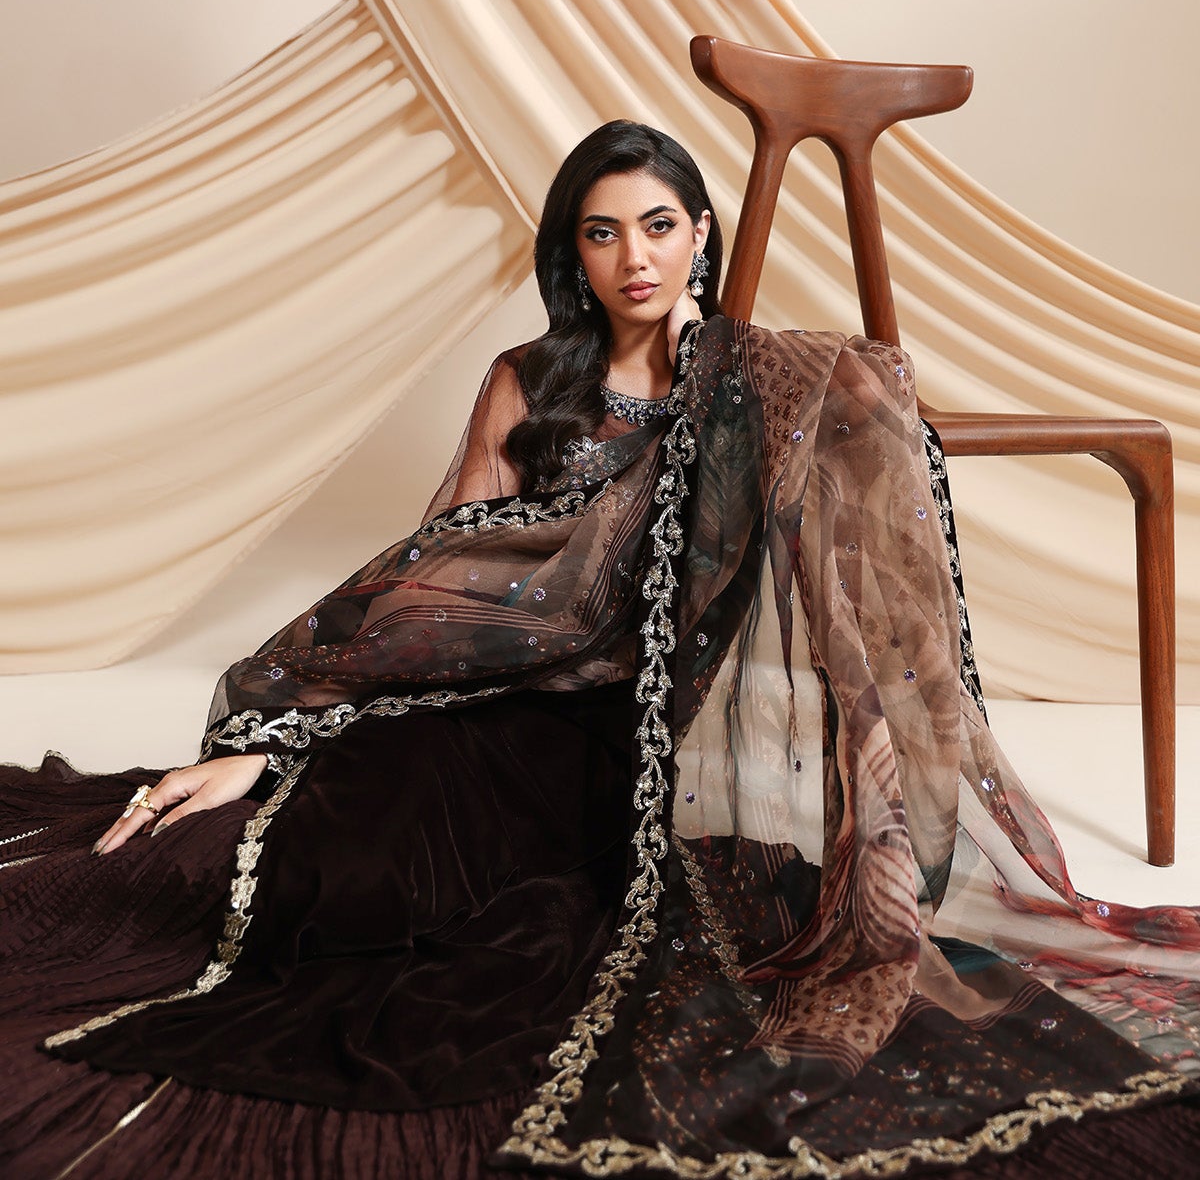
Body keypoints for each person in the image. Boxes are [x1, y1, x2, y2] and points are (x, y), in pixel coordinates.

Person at [1, 120, 1198, 1180]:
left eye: (660, 226)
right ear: (572, 254)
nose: (636, 256)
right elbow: (436, 583)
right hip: (486, 702)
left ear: (701, 236)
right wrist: (278, 736)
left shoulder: (757, 388)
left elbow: (838, 551)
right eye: (604, 231)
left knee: (537, 917)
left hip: (641, 739)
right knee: (342, 838)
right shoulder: (528, 380)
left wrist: (715, 383)